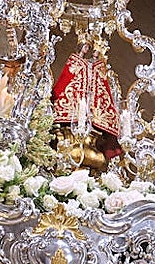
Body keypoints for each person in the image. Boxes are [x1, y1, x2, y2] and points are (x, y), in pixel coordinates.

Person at [51, 40, 124, 168]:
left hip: (92, 122)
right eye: (86, 47)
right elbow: (66, 78)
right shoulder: (75, 61)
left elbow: (102, 86)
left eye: (90, 49)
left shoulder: (98, 67)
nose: (88, 50)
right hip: (72, 111)